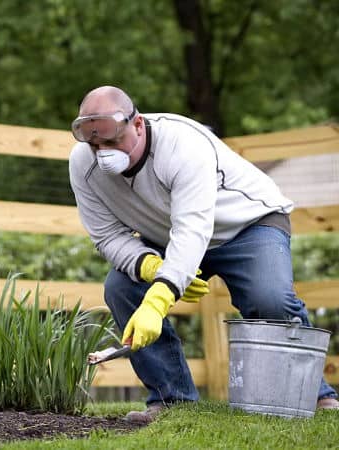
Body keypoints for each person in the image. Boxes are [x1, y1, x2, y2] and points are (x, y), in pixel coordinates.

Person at [68, 85, 339, 423]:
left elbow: (193, 229)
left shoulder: (182, 144)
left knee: (268, 297)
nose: (103, 153)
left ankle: (315, 395)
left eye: (111, 142)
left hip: (246, 224)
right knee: (122, 288)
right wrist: (150, 267)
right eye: (95, 145)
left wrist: (159, 297)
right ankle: (173, 402)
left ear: (137, 125)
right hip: (168, 236)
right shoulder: (83, 166)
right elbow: (107, 235)